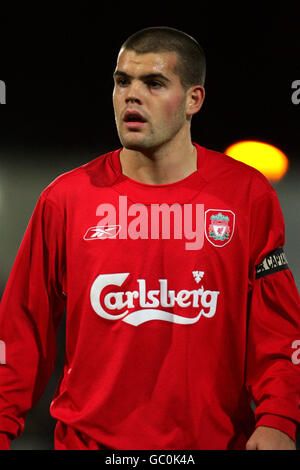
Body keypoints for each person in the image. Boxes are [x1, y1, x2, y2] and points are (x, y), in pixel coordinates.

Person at [0, 26, 299, 451]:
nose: (131, 95)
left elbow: (277, 329)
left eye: (154, 83)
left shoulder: (246, 195)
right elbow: (21, 330)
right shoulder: (65, 199)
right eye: (123, 82)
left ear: (194, 99)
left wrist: (279, 419)